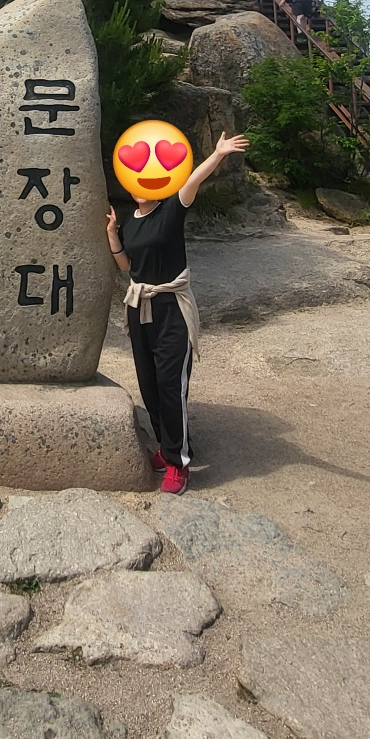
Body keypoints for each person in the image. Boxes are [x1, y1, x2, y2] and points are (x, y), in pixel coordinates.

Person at [106, 127, 250, 496]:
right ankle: (165, 446)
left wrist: (217, 154)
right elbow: (125, 267)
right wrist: (111, 234)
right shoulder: (130, 222)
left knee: (172, 386)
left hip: (172, 309)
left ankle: (178, 463)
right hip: (140, 308)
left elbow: (194, 178)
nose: (140, 182)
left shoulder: (171, 207)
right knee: (150, 386)